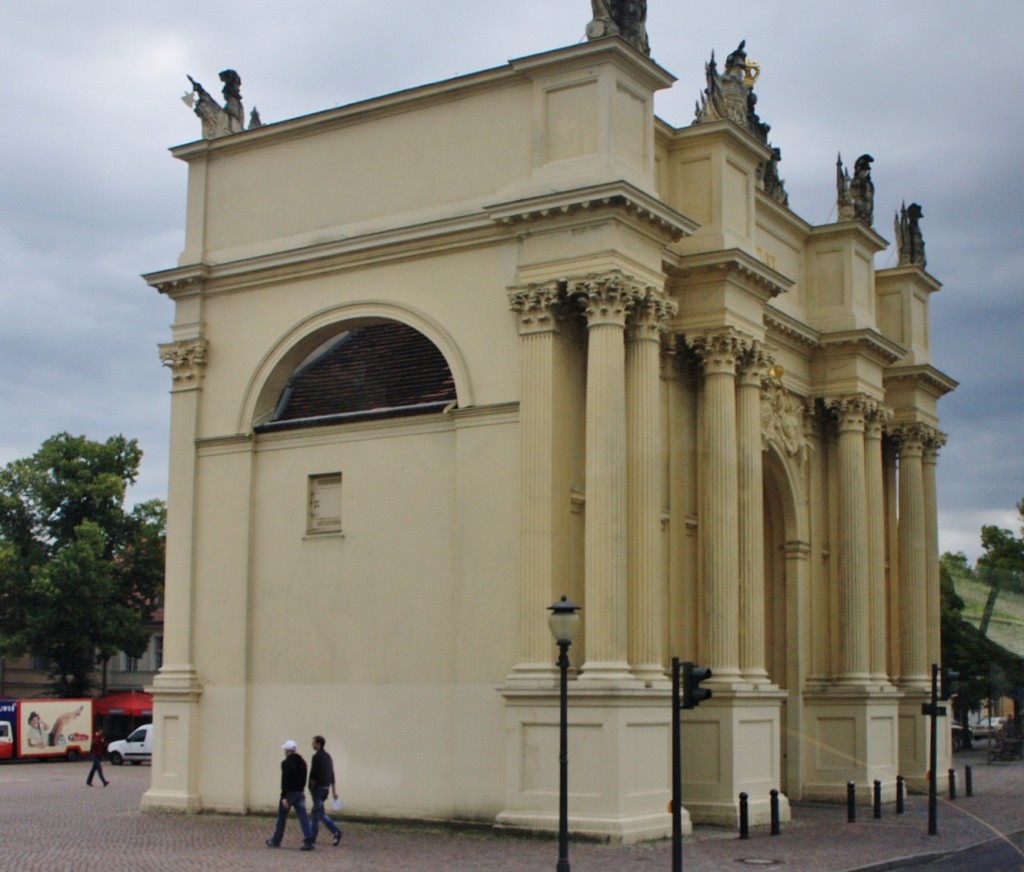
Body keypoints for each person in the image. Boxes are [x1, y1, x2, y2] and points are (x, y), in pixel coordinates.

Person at [266, 740, 315, 851]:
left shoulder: (286, 763)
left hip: (289, 794)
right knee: (303, 817)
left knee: (282, 818)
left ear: (287, 751)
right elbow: (303, 779)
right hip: (300, 792)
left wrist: (284, 796)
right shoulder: (303, 762)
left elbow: (285, 781)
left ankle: (276, 840)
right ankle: (309, 839)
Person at [308, 735, 342, 846]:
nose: (312, 745)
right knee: (315, 812)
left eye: (314, 743)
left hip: (317, 788)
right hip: (326, 788)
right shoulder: (328, 757)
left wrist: (311, 786)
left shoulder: (316, 757)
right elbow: (332, 774)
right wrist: (333, 791)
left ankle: (336, 830)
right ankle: (312, 836)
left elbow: (314, 773)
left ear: (318, 744)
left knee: (320, 813)